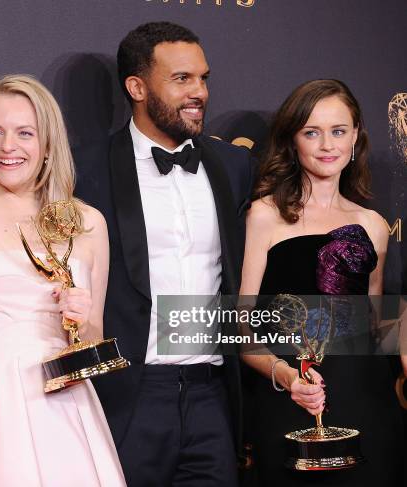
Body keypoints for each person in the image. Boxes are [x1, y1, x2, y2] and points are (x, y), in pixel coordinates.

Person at [73, 22, 253, 487]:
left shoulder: (233, 168)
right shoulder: (85, 171)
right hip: (129, 395)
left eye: (203, 78)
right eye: (181, 79)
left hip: (211, 395)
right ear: (136, 87)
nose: (199, 93)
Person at [0, 75, 126, 487]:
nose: (8, 147)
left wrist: (81, 319)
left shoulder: (88, 223)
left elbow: (92, 341)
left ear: (48, 143)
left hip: (60, 405)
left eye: (25, 133)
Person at [239, 79, 404, 486]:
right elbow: (240, 327)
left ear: (355, 138)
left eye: (338, 131)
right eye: (312, 132)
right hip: (290, 395)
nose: (327, 144)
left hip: (365, 396)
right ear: (293, 140)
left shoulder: (374, 225)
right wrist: (285, 376)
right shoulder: (265, 214)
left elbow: (376, 324)